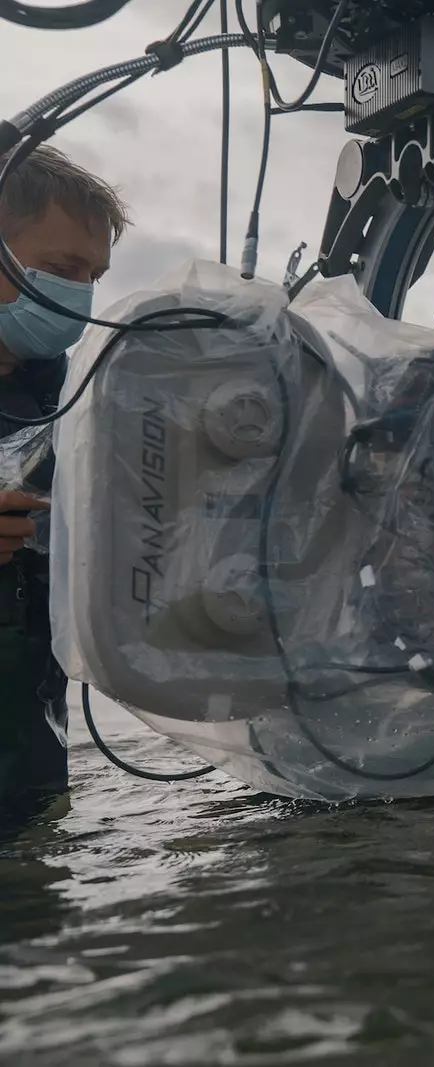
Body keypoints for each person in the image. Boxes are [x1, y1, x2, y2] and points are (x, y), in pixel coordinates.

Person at [0, 145, 125, 819]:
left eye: (93, 275)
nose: (80, 293)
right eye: (61, 268)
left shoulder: (66, 395)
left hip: (28, 779)